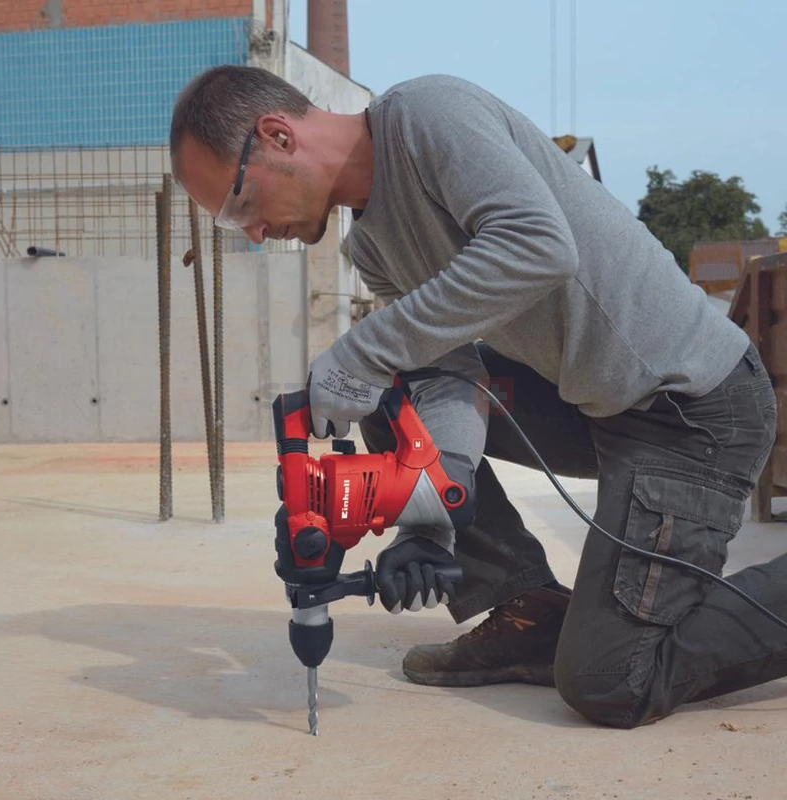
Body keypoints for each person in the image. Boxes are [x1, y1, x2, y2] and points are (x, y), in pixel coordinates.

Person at [170, 65, 784, 729]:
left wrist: (367, 346)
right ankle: (529, 610)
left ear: (277, 136)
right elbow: (444, 377)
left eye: (240, 206)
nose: (254, 232)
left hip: (692, 413)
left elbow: (539, 247)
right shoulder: (372, 249)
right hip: (596, 409)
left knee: (612, 683)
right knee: (395, 393)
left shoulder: (428, 114)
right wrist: (428, 520)